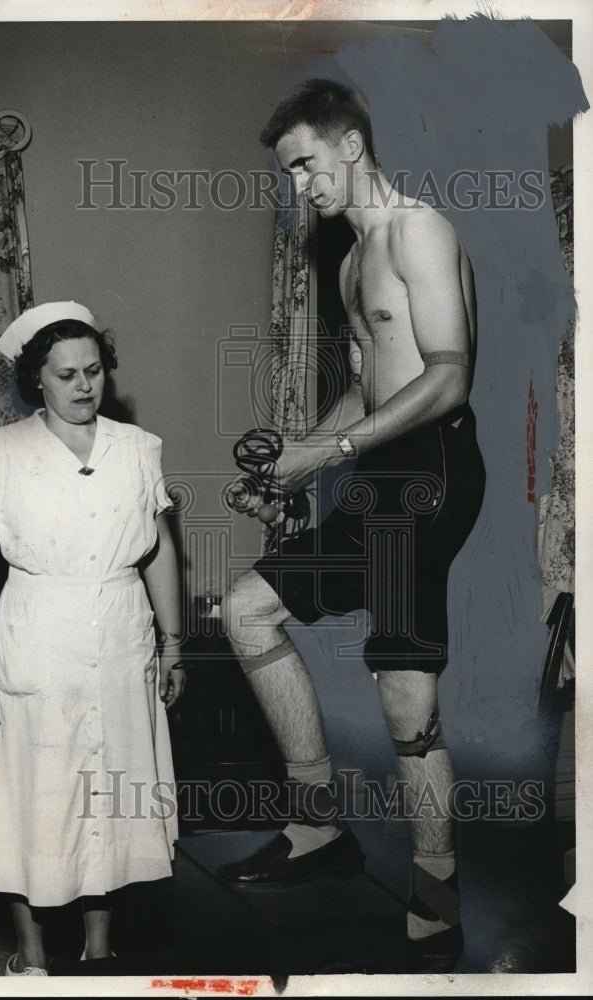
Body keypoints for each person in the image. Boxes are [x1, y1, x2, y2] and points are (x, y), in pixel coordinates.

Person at [217, 80, 486, 968]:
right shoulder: (348, 261)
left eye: (305, 164)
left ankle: (423, 887)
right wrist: (295, 458)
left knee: (397, 695)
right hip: (380, 473)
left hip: (432, 474)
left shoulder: (418, 231)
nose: (300, 185)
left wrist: (327, 455)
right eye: (289, 173)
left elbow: (446, 376)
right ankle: (322, 830)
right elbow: (368, 392)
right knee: (252, 614)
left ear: (350, 145)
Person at [0, 301, 185, 976]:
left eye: (94, 370)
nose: (84, 386)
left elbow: (158, 551)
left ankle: (99, 953)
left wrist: (173, 642)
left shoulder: (137, 448)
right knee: (31, 801)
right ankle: (31, 962)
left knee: (109, 795)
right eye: (66, 375)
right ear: (36, 380)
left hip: (121, 640)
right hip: (36, 641)